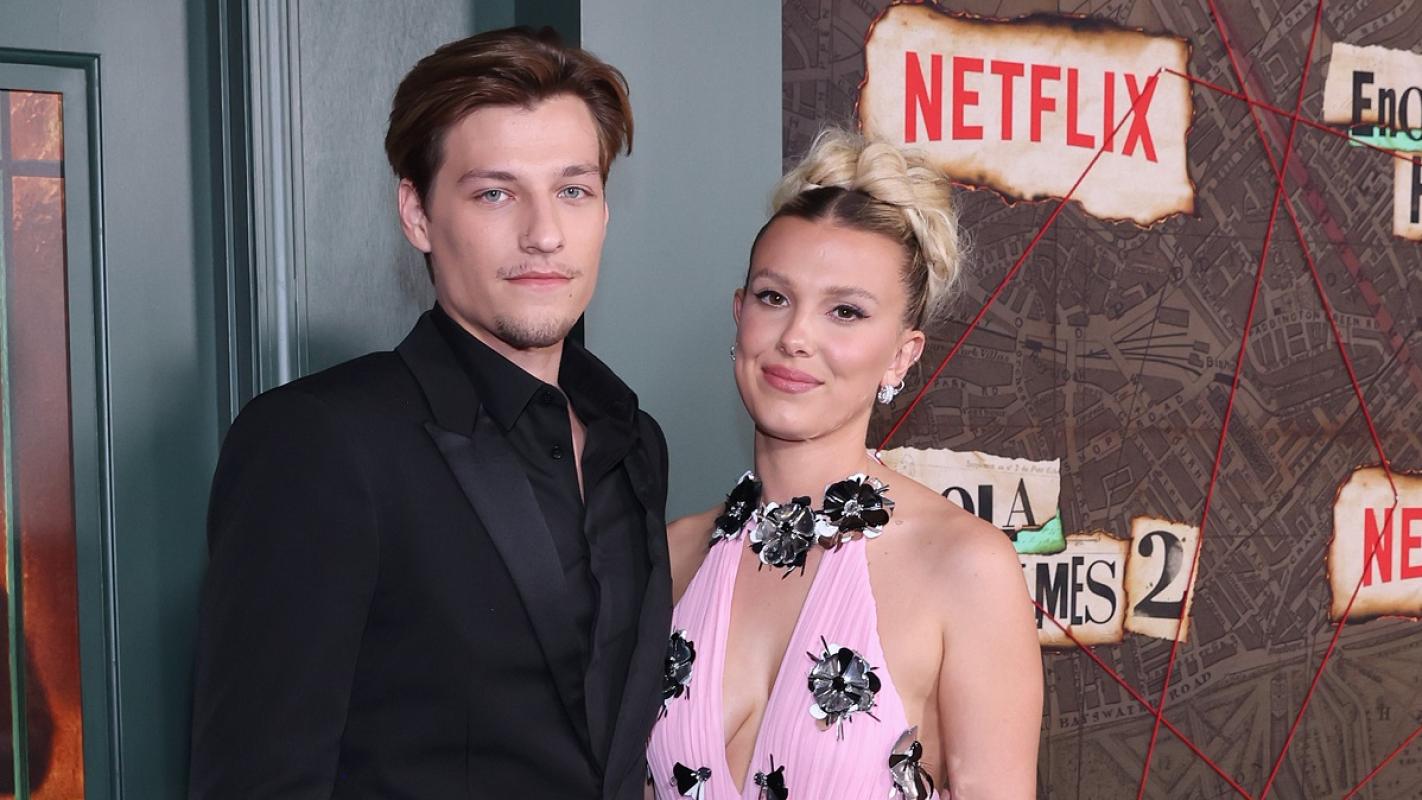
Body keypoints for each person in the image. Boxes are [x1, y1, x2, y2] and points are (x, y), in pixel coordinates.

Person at [189, 27, 671, 799]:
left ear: (604, 211)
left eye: (573, 190)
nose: (545, 234)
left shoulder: (633, 440)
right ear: (417, 214)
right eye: (495, 193)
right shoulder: (317, 442)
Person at [646, 129, 1042, 799]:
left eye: (846, 311)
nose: (796, 337)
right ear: (739, 316)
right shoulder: (670, 557)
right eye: (774, 298)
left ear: (901, 355)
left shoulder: (964, 567)